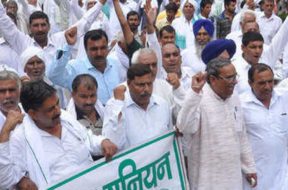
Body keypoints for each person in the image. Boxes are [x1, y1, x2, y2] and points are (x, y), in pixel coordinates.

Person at [0, 80, 117, 189]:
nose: (58, 111)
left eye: (57, 104)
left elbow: (87, 140)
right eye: (50, 109)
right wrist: (21, 181)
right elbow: (7, 178)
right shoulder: (20, 137)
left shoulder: (65, 117)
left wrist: (103, 142)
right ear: (33, 114)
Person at [177, 57, 257, 189]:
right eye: (229, 78)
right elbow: (183, 126)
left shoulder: (234, 97)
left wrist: (249, 167)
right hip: (207, 181)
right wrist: (194, 92)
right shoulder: (197, 98)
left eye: (235, 76)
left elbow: (241, 136)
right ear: (213, 79)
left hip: (234, 179)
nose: (235, 82)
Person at [102, 64, 172, 151]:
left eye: (149, 84)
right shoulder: (115, 106)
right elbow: (113, 143)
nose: (146, 89)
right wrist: (118, 105)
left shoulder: (162, 104)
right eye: (141, 85)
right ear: (128, 83)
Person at [240, 63, 288, 189]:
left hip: (282, 174)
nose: (267, 87)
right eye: (261, 83)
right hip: (254, 175)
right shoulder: (241, 104)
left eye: (270, 81)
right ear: (250, 83)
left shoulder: (284, 97)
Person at [48, 28, 121, 105]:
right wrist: (68, 46)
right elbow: (53, 75)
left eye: (103, 48)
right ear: (86, 50)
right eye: (94, 49)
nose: (99, 53)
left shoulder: (116, 64)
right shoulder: (75, 68)